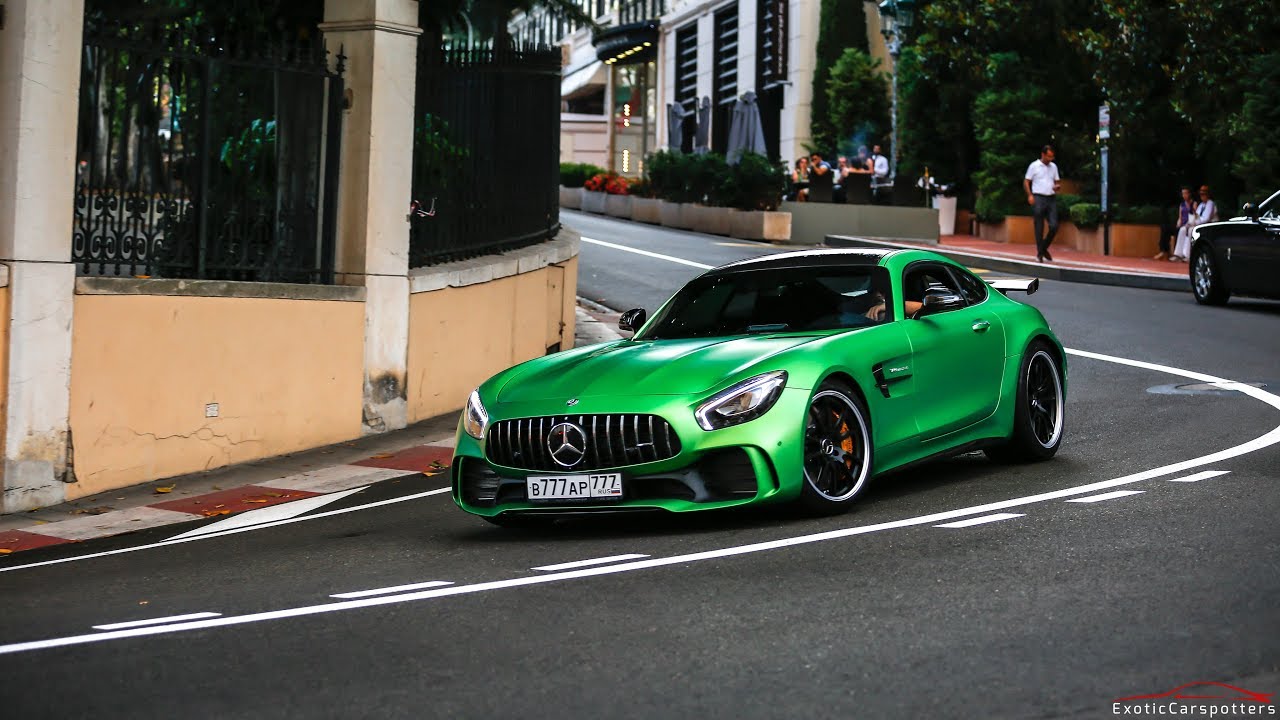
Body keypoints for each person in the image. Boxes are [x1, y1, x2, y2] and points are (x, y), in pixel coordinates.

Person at [1023, 144, 1062, 262]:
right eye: (1048, 157)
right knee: (1039, 226)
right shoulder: (1034, 166)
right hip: (1038, 197)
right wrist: (1030, 195)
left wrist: (1057, 187)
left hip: (1051, 198)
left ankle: (1043, 248)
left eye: (1052, 157)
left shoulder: (1053, 167)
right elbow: (1026, 181)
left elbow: (1057, 181)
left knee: (1054, 226)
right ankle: (1040, 253)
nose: (1050, 159)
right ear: (1043, 154)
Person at [1168, 186, 1197, 262]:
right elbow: (1180, 217)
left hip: (1191, 224)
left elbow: (1196, 215)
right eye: (1183, 193)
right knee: (1179, 229)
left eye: (1186, 193)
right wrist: (1178, 223)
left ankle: (1187, 255)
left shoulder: (1194, 203)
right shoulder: (1182, 205)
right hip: (1183, 224)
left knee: (1184, 230)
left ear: (1189, 194)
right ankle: (1178, 255)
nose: (1184, 195)